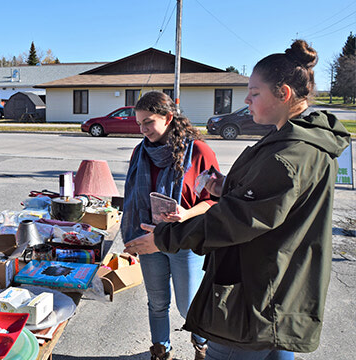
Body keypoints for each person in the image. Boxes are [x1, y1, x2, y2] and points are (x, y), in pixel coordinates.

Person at [123, 40, 351, 360]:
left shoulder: (290, 154)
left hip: (258, 296)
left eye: (254, 92)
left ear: (283, 93)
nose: (247, 99)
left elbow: (239, 219)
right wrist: (225, 187)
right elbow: (269, 202)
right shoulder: (292, 141)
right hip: (280, 292)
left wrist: (164, 238)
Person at [121, 91, 220, 360]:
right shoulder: (140, 152)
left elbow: (214, 201)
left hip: (184, 239)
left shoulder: (197, 150)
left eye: (148, 122)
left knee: (189, 305)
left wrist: (186, 214)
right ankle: (161, 350)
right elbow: (131, 197)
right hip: (148, 237)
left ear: (168, 117)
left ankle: (202, 345)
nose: (143, 130)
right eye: (139, 124)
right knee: (157, 302)